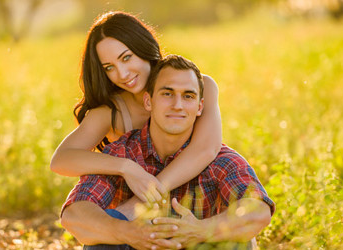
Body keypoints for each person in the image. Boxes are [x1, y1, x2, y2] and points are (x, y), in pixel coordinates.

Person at [60, 54, 275, 250]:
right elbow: (75, 214)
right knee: (102, 243)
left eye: (188, 96)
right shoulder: (121, 153)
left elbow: (258, 211)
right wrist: (128, 232)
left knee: (238, 241)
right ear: (148, 101)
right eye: (167, 93)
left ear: (200, 107)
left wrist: (199, 231)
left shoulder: (221, 160)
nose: (177, 105)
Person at [51, 12, 223, 219]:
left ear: (143, 47)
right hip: (139, 225)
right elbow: (61, 160)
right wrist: (127, 168)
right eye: (109, 67)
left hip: (198, 208)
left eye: (126, 58)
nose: (122, 74)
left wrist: (141, 201)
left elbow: (206, 149)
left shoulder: (198, 87)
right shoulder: (112, 111)